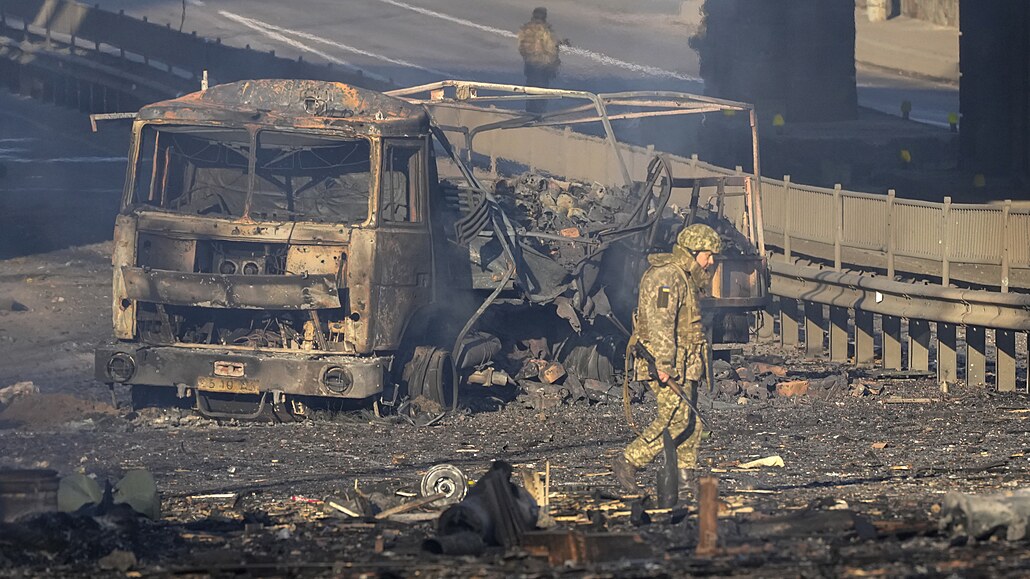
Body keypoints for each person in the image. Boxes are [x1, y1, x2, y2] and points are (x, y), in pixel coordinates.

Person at [613, 223, 721, 493]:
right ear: (693, 252)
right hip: (665, 362)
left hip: (685, 363)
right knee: (675, 418)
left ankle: (685, 477)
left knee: (691, 421)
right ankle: (629, 461)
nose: (711, 262)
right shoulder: (667, 277)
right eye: (708, 255)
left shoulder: (684, 276)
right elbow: (661, 324)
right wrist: (664, 365)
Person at [517, 7, 567, 112]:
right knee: (540, 92)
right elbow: (549, 48)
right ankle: (536, 114)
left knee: (532, 91)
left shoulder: (526, 29)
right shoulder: (543, 30)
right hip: (542, 67)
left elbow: (522, 48)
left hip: (531, 65)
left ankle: (531, 112)